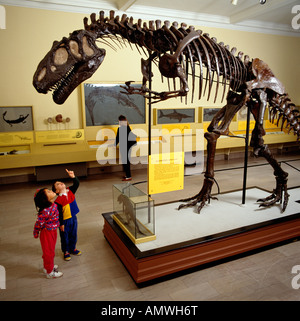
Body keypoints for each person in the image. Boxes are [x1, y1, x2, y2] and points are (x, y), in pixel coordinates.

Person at [33, 188, 63, 279]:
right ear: (45, 199)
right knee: (48, 253)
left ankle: (47, 267)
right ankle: (50, 272)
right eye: (48, 192)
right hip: (47, 233)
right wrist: (36, 231)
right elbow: (39, 223)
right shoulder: (45, 211)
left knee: (51, 251)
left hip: (53, 231)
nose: (51, 190)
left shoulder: (52, 203)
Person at [52, 169, 81, 261]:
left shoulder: (70, 190)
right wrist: (61, 224)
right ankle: (66, 251)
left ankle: (73, 248)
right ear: (56, 191)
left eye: (60, 182)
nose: (60, 183)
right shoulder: (58, 201)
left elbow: (76, 183)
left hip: (73, 218)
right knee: (65, 237)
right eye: (57, 184)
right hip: (64, 221)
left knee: (73, 234)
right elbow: (59, 214)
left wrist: (73, 177)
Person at [115, 115, 137, 181]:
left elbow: (118, 138)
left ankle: (128, 176)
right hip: (128, 146)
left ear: (120, 121)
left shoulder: (121, 128)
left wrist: (114, 144)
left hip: (125, 147)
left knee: (126, 162)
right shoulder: (127, 127)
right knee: (126, 161)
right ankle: (127, 175)